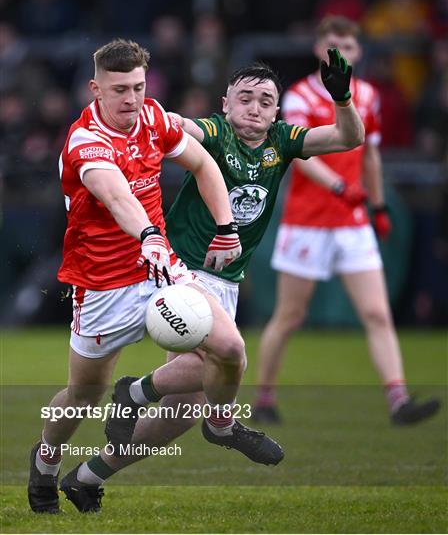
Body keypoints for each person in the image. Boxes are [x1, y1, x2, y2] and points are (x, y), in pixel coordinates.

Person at [57, 47, 369, 513]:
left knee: (184, 411)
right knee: (226, 357)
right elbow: (180, 126)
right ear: (225, 103)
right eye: (245, 98)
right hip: (181, 268)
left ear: (277, 110)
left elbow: (348, 138)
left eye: (266, 100)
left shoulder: (283, 141)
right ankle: (173, 405)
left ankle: (88, 474)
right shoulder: (215, 132)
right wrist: (143, 112)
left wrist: (342, 97)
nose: (255, 108)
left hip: (228, 276)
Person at [28, 37, 274, 514]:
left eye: (139, 87)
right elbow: (117, 195)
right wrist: (147, 232)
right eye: (119, 90)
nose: (131, 100)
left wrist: (226, 228)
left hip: (160, 269)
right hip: (101, 285)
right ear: (95, 89)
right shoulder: (85, 141)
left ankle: (218, 423)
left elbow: (203, 163)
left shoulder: (155, 117)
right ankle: (46, 457)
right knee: (83, 396)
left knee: (231, 350)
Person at [252, 15, 441, 425]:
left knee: (377, 313)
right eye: (334, 44)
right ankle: (263, 397)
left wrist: (378, 205)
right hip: (308, 222)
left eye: (350, 47)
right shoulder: (300, 95)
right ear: (319, 48)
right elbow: (299, 155)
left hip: (352, 221)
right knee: (289, 316)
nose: (341, 52)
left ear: (358, 52)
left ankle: (398, 400)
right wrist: (340, 187)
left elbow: (369, 154)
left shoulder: (367, 95)